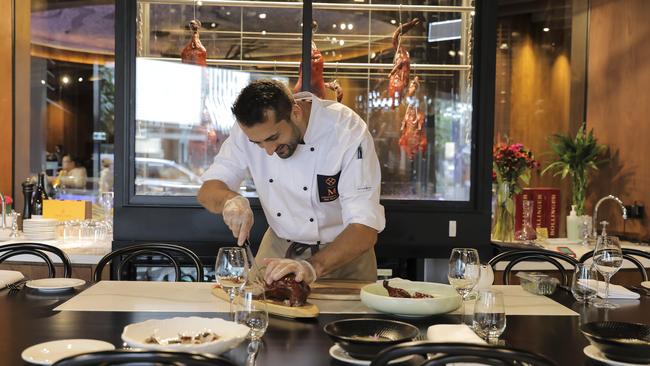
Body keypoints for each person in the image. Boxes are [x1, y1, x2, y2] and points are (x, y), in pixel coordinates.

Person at [198, 80, 385, 285]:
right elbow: (208, 190)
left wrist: (311, 266)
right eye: (258, 144)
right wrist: (229, 200)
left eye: (274, 138)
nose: (269, 151)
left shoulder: (346, 129)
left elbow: (364, 228)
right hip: (278, 251)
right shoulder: (249, 132)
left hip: (343, 255)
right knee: (255, 313)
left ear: (295, 112)